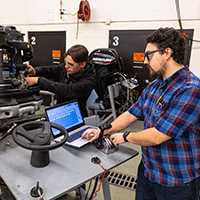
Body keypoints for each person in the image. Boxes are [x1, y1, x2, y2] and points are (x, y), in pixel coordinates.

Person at [82, 27, 200, 199]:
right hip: (148, 172)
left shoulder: (190, 89)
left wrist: (125, 137)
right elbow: (131, 114)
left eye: (149, 55)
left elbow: (158, 135)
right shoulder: (155, 86)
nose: (145, 61)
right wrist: (103, 130)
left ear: (167, 53)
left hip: (176, 181)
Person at [25, 44, 96, 118]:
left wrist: (38, 81)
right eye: (66, 62)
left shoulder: (89, 80)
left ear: (82, 64)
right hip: (59, 110)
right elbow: (50, 70)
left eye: (70, 64)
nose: (66, 66)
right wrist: (35, 71)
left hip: (75, 115)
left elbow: (68, 90)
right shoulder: (67, 68)